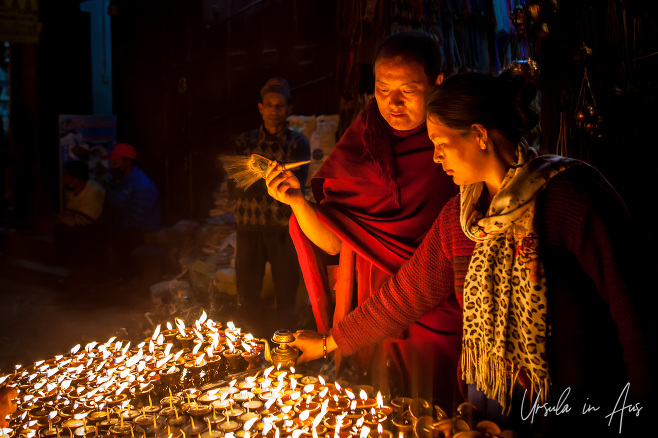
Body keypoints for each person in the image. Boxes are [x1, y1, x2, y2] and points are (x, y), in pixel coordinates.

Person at [290, 72, 651, 436]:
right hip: (491, 401)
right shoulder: (462, 218)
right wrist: (326, 343)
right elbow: (404, 296)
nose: (435, 158)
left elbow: (636, 318)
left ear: (479, 135)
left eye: (441, 143)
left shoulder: (571, 198)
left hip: (574, 406)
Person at [265, 31, 460, 406]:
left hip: (436, 317)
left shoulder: (453, 146)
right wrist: (298, 202)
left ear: (437, 83)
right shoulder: (363, 140)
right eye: (383, 89)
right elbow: (340, 244)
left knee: (438, 411)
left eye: (408, 90)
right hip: (370, 314)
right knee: (378, 411)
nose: (393, 103)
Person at [232, 77, 310, 332]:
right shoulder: (244, 141)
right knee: (247, 293)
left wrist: (259, 174)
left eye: (280, 106)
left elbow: (295, 186)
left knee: (287, 293)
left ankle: (286, 350)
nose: (274, 111)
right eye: (269, 105)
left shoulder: (299, 143)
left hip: (284, 229)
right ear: (260, 107)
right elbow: (237, 184)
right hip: (249, 228)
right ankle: (248, 347)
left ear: (289, 109)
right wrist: (274, 177)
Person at [103, 143, 161, 276]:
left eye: (116, 162)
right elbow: (108, 209)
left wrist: (114, 228)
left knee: (123, 238)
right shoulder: (115, 182)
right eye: (111, 162)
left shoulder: (142, 185)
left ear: (127, 163)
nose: (112, 166)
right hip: (121, 229)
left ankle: (128, 278)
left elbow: (135, 220)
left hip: (141, 233)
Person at [53, 160, 106, 266]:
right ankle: (69, 266)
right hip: (78, 228)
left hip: (96, 231)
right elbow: (67, 215)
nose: (64, 180)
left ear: (76, 179)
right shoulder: (72, 193)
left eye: (66, 176)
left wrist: (73, 217)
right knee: (61, 230)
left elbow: (86, 220)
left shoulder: (94, 191)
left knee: (80, 233)